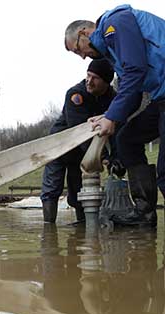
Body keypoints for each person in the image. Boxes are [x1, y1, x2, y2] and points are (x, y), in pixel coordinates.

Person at [64, 5, 165, 226]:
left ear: (84, 32)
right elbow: (134, 94)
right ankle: (144, 213)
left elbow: (135, 71)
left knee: (164, 172)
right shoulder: (112, 51)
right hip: (161, 98)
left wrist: (112, 116)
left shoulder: (115, 23)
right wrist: (108, 115)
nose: (82, 57)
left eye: (77, 50)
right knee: (126, 138)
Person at [41, 59, 117, 223]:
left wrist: (115, 157)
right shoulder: (76, 94)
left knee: (80, 192)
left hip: (81, 153)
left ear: (106, 83)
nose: (89, 81)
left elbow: (116, 129)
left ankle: (83, 228)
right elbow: (79, 130)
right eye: (88, 76)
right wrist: (102, 156)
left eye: (95, 78)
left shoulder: (113, 98)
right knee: (52, 188)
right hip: (60, 145)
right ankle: (48, 230)